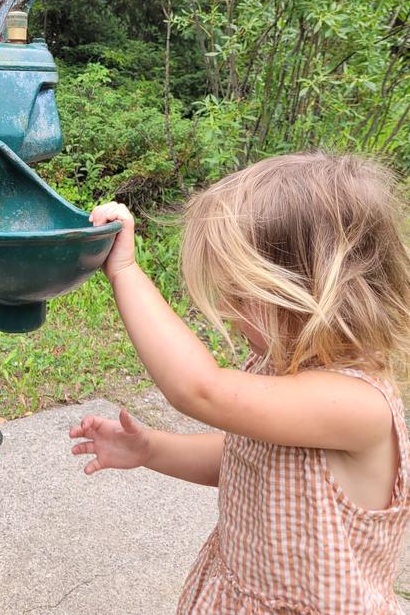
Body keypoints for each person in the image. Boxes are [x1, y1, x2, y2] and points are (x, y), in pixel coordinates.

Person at [70, 152, 410, 613]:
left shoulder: (357, 404)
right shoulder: (275, 368)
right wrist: (150, 449)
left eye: (240, 293)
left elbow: (199, 388)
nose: (228, 309)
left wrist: (125, 271)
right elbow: (244, 458)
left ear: (312, 291)